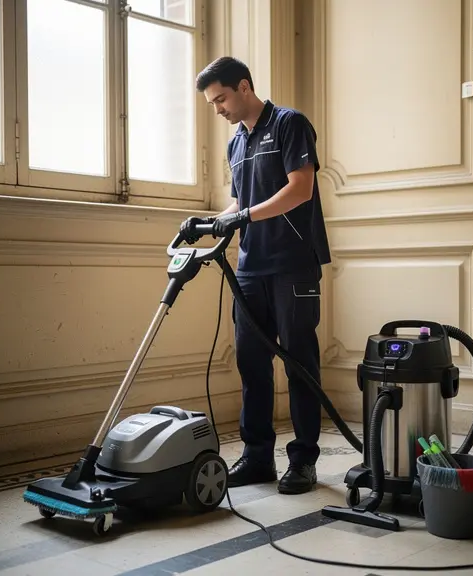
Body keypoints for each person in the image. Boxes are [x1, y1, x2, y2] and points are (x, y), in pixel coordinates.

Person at [183, 57, 332, 495]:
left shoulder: (290, 124)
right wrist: (206, 223)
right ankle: (257, 456)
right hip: (250, 268)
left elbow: (299, 189)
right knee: (251, 364)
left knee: (300, 363)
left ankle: (303, 460)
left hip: (292, 264)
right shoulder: (236, 143)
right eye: (212, 103)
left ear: (244, 87)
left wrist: (243, 214)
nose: (218, 109)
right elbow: (240, 204)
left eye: (221, 99)